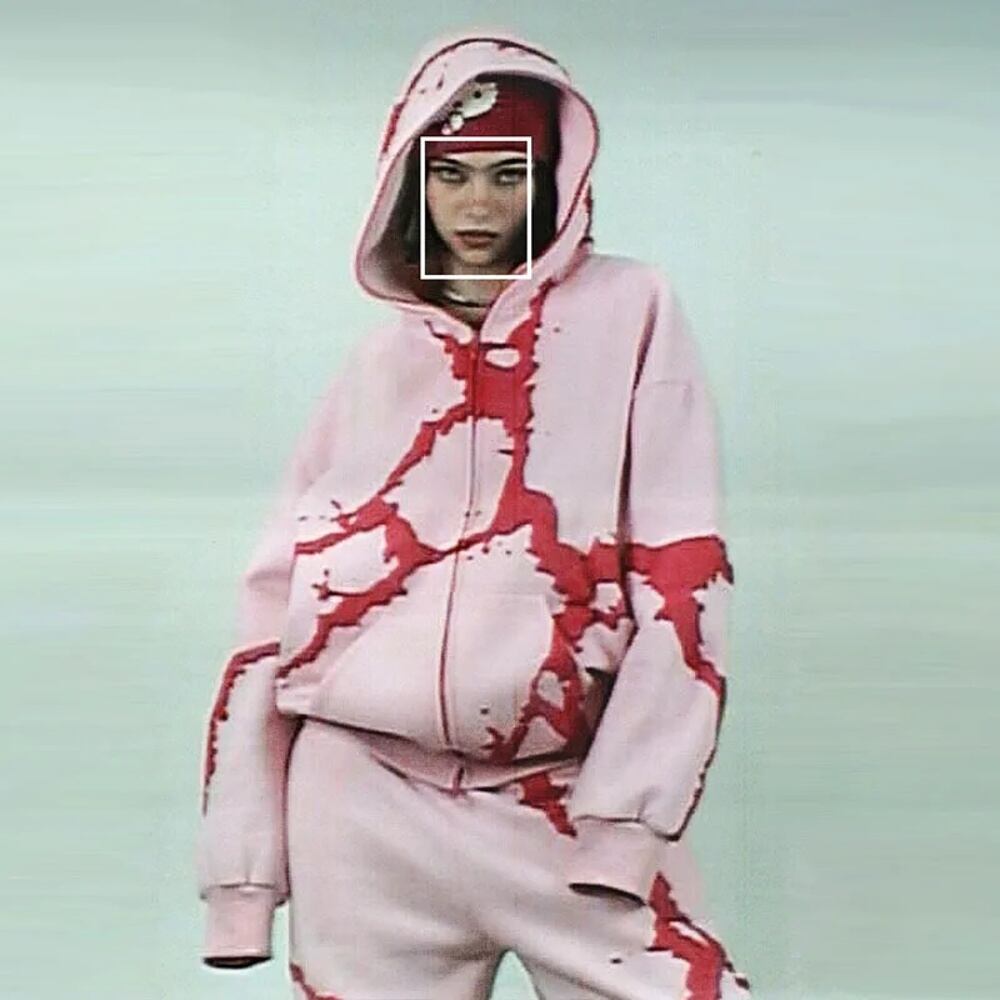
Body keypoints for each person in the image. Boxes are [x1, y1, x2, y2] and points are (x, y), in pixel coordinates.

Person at [196, 26, 754, 999]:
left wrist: (628, 818)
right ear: (410, 184)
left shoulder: (633, 312)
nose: (479, 205)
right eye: (450, 174)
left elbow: (682, 577)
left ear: (553, 180)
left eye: (509, 173)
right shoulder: (374, 367)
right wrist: (241, 876)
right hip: (360, 807)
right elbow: (270, 614)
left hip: (557, 793)